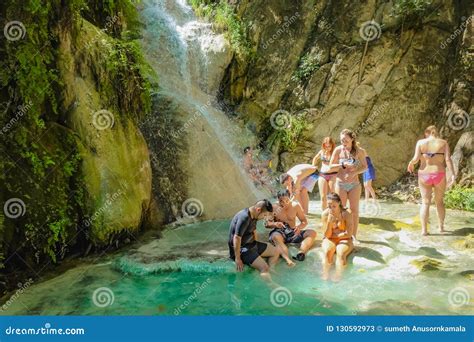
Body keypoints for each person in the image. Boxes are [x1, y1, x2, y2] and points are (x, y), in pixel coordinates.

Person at [407, 125, 456, 235]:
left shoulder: (420, 143)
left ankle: (424, 231)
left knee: (425, 203)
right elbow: (448, 159)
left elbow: (415, 159)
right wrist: (452, 174)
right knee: (439, 202)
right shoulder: (443, 143)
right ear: (436, 132)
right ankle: (441, 227)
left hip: (424, 174)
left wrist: (411, 163)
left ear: (427, 132)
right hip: (439, 174)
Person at [329, 129, 367, 241]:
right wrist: (342, 164)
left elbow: (365, 166)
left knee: (354, 211)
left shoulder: (359, 151)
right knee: (340, 210)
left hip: (354, 185)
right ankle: (341, 233)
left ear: (352, 139)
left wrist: (355, 172)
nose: (343, 142)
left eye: (345, 140)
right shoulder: (338, 150)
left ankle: (353, 236)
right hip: (340, 184)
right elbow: (331, 166)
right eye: (341, 140)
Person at [228, 200, 280, 279]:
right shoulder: (244, 217)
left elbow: (254, 231)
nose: (264, 217)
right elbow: (237, 238)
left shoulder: (254, 215)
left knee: (276, 251)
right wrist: (237, 258)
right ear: (258, 210)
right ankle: (272, 286)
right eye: (264, 215)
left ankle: (272, 269)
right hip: (242, 249)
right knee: (264, 267)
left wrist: (257, 247)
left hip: (251, 245)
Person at [265, 190, 317, 266]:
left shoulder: (295, 206)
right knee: (275, 237)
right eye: (281, 201)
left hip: (293, 232)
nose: (284, 203)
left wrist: (299, 227)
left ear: (290, 198)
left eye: (287, 200)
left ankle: (301, 253)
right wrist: (275, 224)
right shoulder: (274, 207)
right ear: (278, 199)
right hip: (280, 232)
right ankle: (288, 260)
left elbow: (304, 221)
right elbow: (267, 224)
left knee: (312, 233)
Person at [321, 192, 354, 281]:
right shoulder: (325, 214)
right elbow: (327, 235)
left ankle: (338, 276)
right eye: (329, 206)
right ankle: (326, 274)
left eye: (334, 206)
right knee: (328, 251)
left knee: (341, 253)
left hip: (345, 239)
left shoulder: (347, 213)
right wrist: (329, 222)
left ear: (339, 203)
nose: (331, 209)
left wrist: (335, 235)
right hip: (330, 238)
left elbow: (349, 233)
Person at [312, 137, 337, 209]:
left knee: (332, 196)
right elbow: (315, 158)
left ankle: (333, 214)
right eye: (325, 146)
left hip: (333, 175)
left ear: (332, 145)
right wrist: (313, 166)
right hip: (322, 175)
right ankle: (324, 216)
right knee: (323, 197)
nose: (327, 148)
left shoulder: (335, 152)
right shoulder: (321, 152)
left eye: (329, 146)